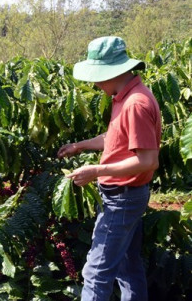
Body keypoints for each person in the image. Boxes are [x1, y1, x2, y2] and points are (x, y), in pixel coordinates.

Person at [57, 36, 161, 301]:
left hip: (122, 198)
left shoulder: (136, 104)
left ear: (114, 72)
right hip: (126, 195)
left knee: (96, 273)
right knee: (127, 267)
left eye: (97, 75)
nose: (94, 83)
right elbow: (115, 138)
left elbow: (148, 160)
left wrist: (96, 171)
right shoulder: (124, 97)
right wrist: (79, 146)